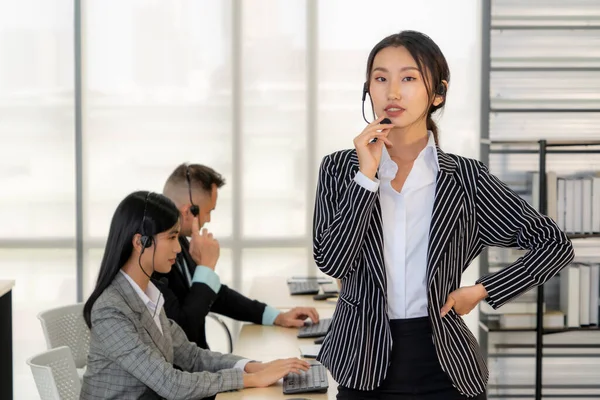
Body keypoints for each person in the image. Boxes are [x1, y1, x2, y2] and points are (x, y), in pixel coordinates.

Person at [312, 30, 574, 400]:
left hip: (446, 365)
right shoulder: (340, 169)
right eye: (380, 78)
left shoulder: (466, 179)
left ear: (437, 93)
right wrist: (366, 177)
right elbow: (332, 260)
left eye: (409, 78)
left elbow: (554, 245)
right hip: (363, 360)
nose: (393, 92)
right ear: (367, 89)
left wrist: (482, 290)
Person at [81, 191, 309, 400]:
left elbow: (191, 356)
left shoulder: (148, 294)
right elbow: (169, 383)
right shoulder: (111, 309)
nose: (179, 249)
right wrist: (248, 380)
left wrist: (253, 367)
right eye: (171, 238)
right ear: (141, 242)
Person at [154, 163, 319, 350]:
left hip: (202, 364)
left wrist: (277, 317)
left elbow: (217, 294)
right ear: (189, 211)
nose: (208, 220)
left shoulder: (182, 242)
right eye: (208, 211)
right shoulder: (154, 260)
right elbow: (185, 332)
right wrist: (206, 268)